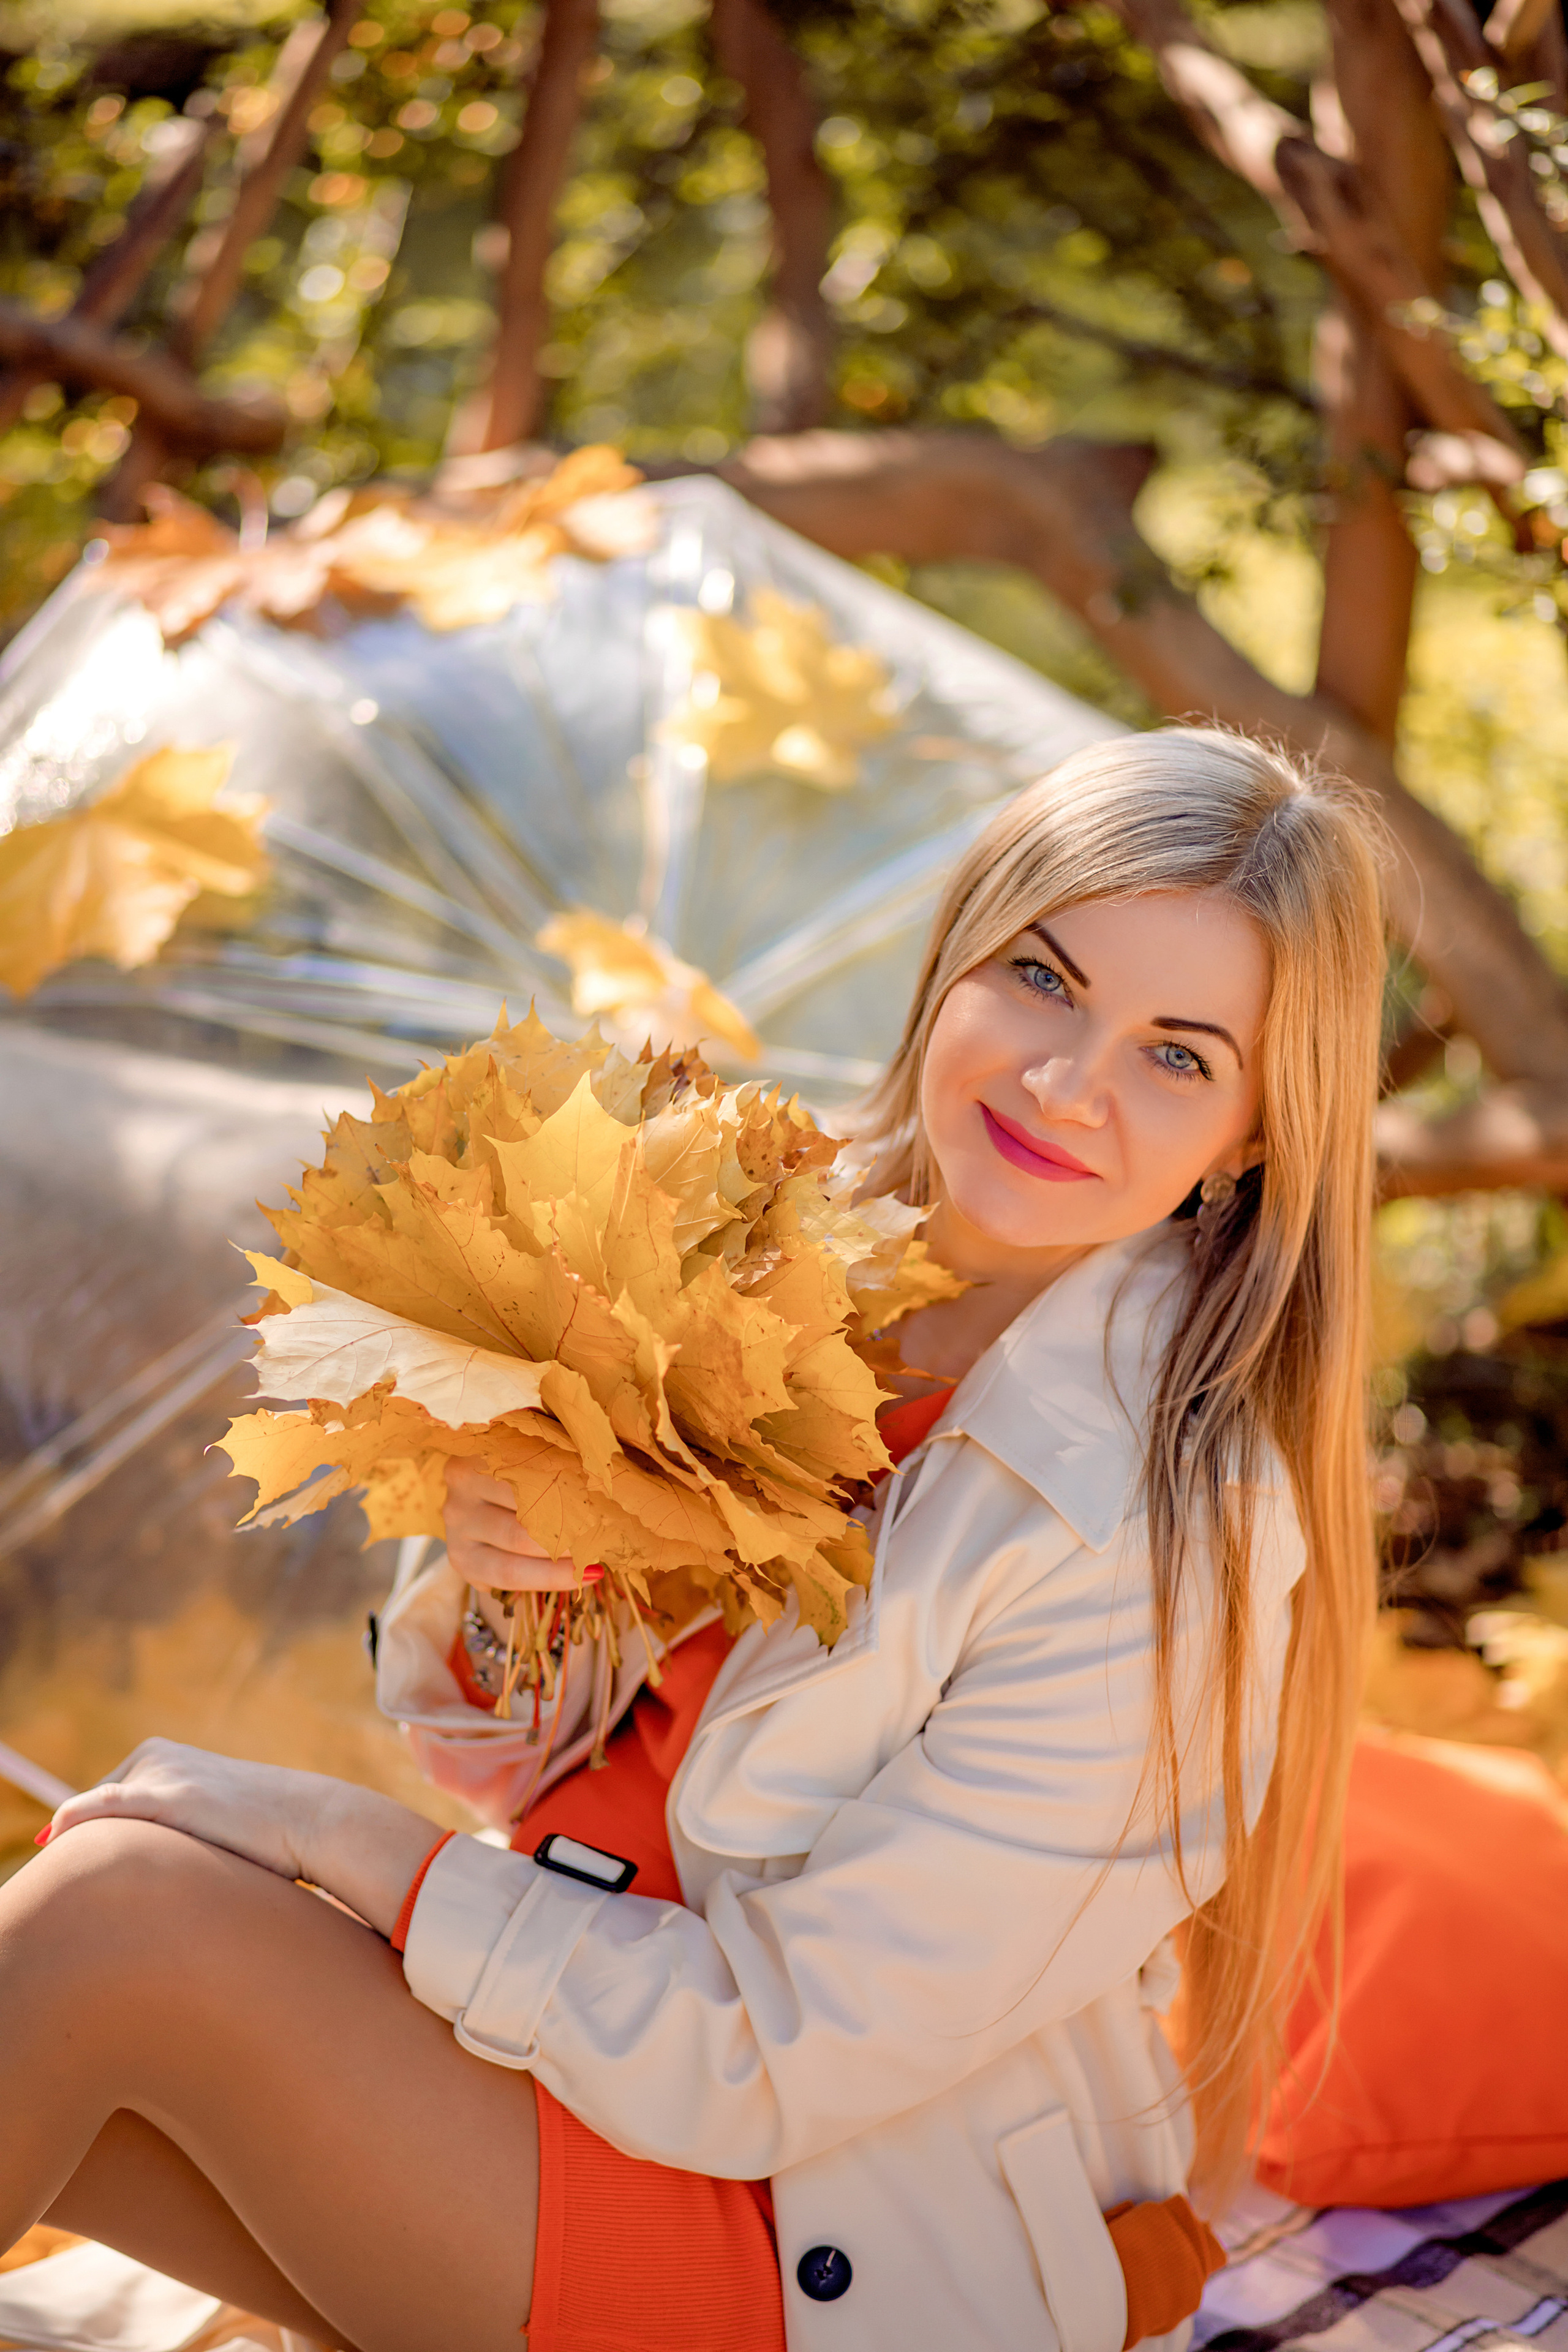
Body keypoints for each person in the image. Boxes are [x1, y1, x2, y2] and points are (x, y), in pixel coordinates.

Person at [0, 728, 1385, 2352]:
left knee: (122, 1920)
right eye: (1044, 977)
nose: (1067, 1081)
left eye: (1177, 1056)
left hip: (817, 2236)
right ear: (956, 961)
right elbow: (535, 1773)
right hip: (575, 2058)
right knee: (64, 2040)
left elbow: (776, 2054)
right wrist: (500, 1574)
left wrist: (336, 1842)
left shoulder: (1157, 1534)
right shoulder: (758, 1253)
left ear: (1259, 1135)